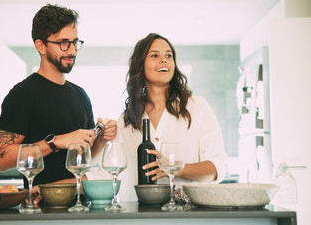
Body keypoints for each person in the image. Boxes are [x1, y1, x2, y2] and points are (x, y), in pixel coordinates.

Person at [0, 4, 117, 203]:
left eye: (75, 42)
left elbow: (85, 157)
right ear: (41, 46)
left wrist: (101, 139)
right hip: (40, 208)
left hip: (81, 205)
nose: (72, 51)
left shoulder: (81, 95)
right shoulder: (22, 94)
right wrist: (55, 142)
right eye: (63, 43)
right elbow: (1, 159)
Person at [87, 33, 227, 202]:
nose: (164, 60)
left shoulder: (198, 107)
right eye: (155, 55)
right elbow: (106, 174)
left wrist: (177, 167)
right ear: (140, 65)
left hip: (189, 217)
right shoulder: (126, 121)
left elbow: (216, 169)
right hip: (141, 217)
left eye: (169, 55)